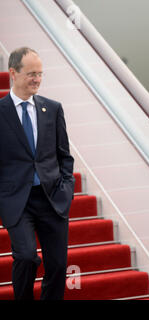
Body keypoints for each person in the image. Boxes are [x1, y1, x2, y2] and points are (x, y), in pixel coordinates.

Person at [0, 47, 75, 299]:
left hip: (52, 198)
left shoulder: (52, 109)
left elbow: (64, 155)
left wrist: (66, 189)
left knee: (57, 266)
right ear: (13, 73)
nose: (37, 79)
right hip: (17, 201)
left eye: (40, 74)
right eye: (31, 73)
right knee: (26, 257)